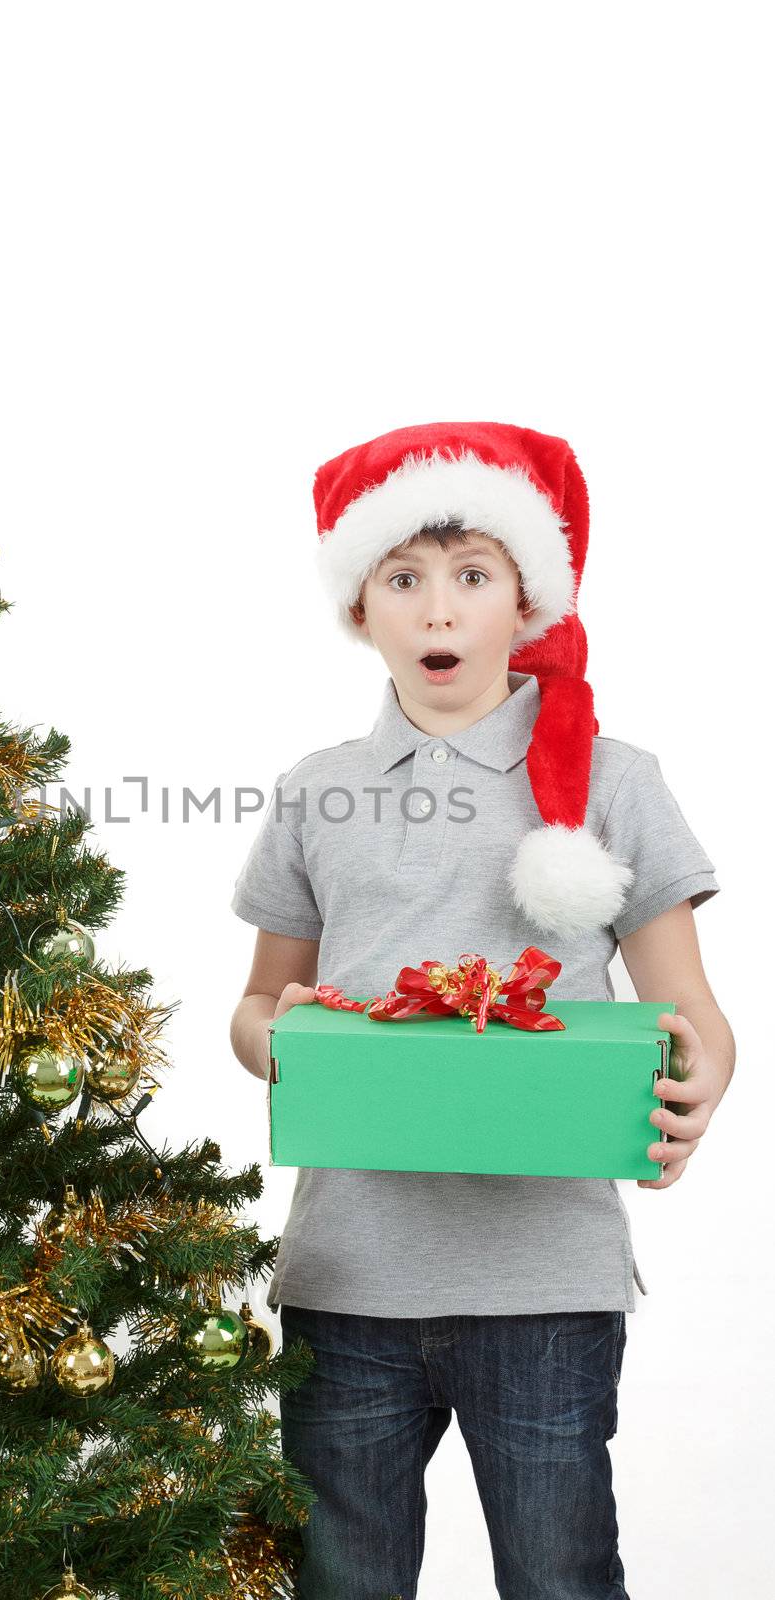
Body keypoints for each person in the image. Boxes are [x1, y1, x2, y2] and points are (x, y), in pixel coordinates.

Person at [228, 422, 736, 1600]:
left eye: (471, 576)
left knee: (560, 1577)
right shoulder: (317, 790)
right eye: (403, 580)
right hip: (348, 1282)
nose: (438, 611)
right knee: (342, 1577)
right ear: (362, 607)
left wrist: (696, 1084)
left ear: (527, 599)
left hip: (544, 1284)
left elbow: (689, 1014)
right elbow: (258, 1005)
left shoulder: (616, 782)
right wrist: (282, 1035)